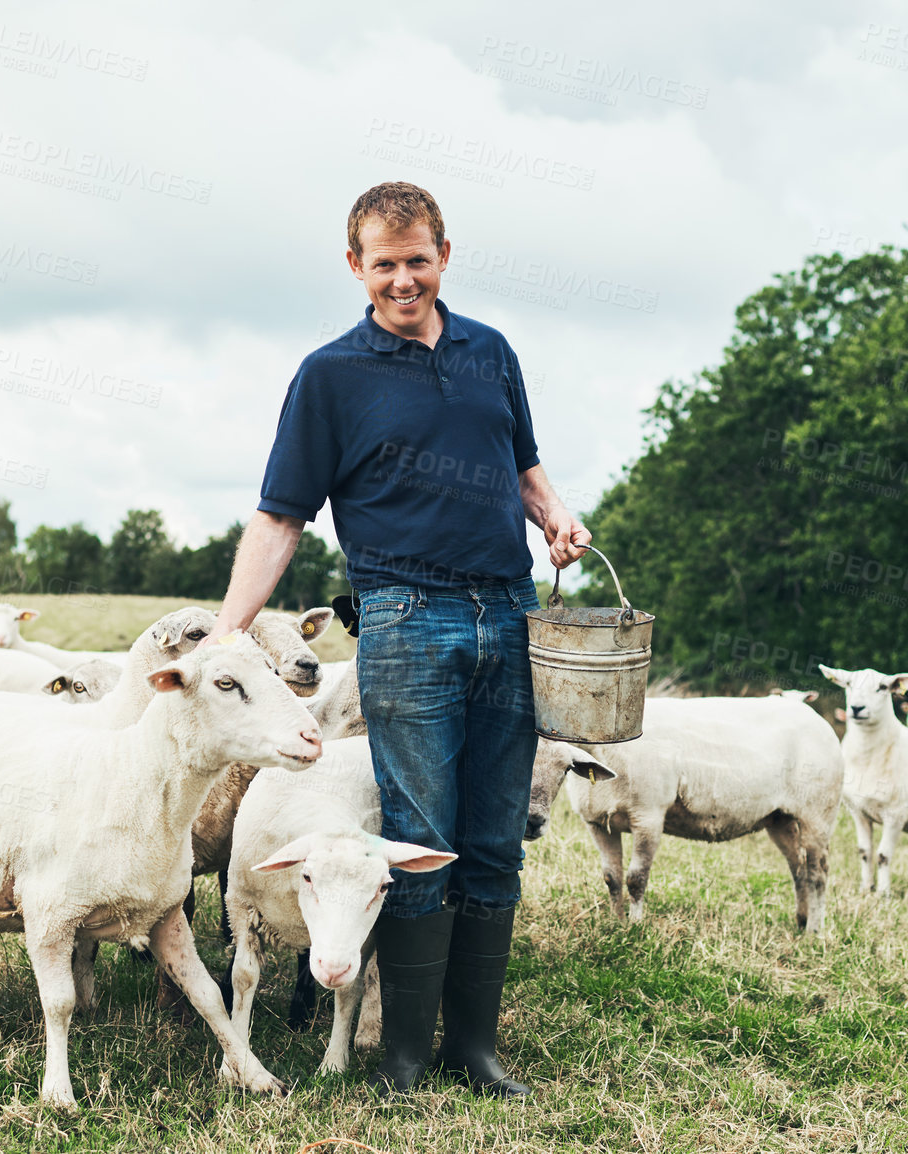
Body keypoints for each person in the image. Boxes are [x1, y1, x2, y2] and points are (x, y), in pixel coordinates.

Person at [203, 182, 589, 1097]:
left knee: (495, 841)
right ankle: (405, 1054)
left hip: (509, 610)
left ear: (444, 254)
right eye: (385, 264)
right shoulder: (330, 376)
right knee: (417, 836)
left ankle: (476, 1051)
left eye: (419, 261)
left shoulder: (491, 352)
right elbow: (279, 517)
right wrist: (226, 633)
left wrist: (556, 516)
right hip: (405, 618)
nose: (404, 279)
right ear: (356, 267)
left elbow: (523, 465)